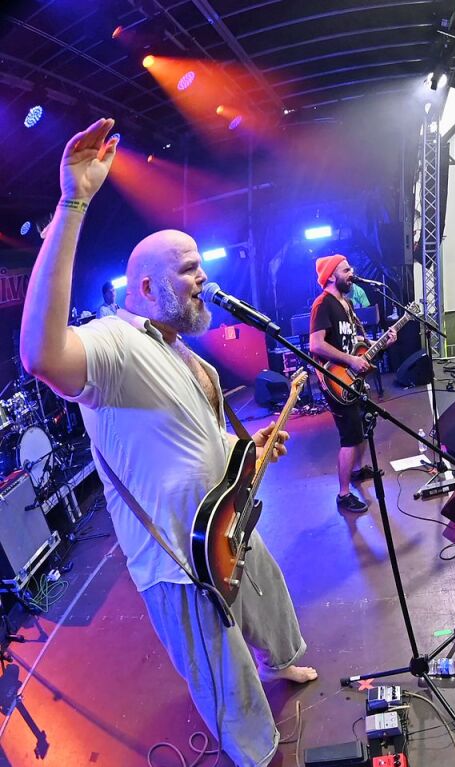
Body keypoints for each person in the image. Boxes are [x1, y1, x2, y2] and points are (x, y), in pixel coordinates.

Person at [20, 119, 316, 767]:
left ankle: (285, 658)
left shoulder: (193, 360)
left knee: (266, 589)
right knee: (225, 672)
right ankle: (257, 753)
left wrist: (253, 448)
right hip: (177, 561)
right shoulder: (114, 343)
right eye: (188, 270)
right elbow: (41, 354)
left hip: (224, 524)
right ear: (148, 288)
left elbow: (204, 441)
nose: (202, 280)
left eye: (201, 266)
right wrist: (74, 202)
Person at [310, 255, 397, 513]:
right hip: (337, 381)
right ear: (330, 275)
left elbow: (356, 345)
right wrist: (350, 360)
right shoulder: (323, 304)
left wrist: (381, 343)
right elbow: (316, 344)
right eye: (346, 270)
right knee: (350, 436)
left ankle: (358, 471)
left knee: (363, 427)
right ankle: (343, 494)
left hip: (353, 380)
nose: (352, 273)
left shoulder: (346, 305)